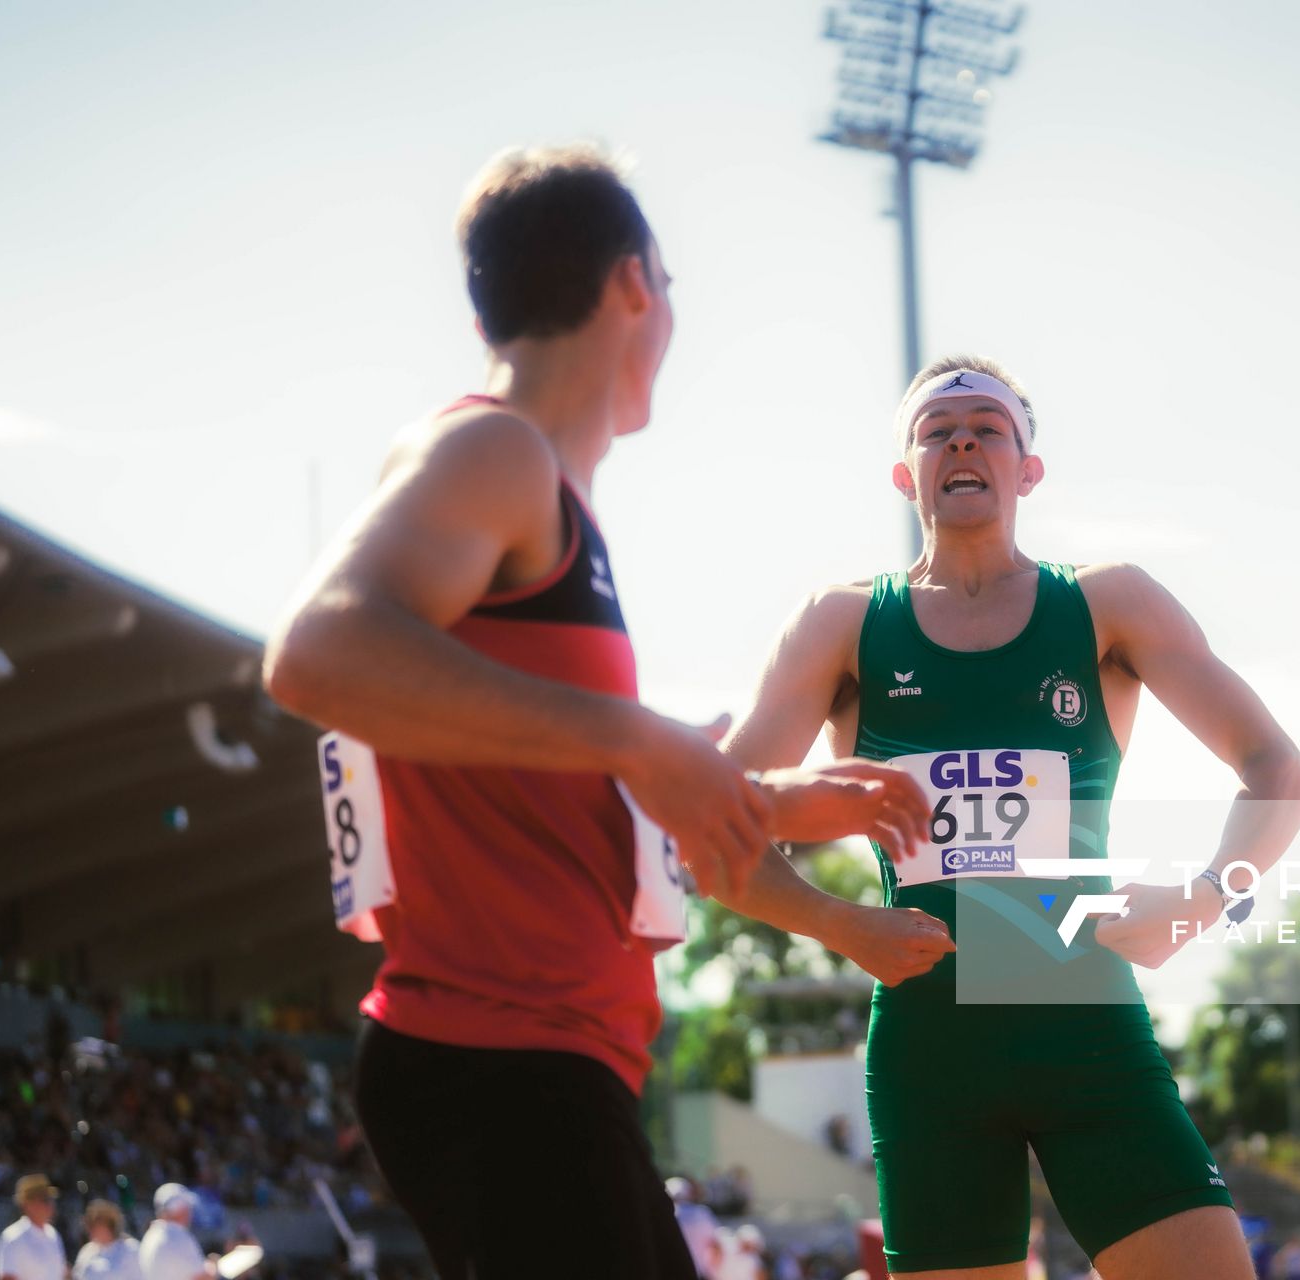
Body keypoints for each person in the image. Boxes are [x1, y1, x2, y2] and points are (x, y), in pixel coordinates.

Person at [263, 143, 928, 1279]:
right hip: (499, 1053)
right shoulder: (492, 447)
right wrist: (635, 735)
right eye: (669, 287)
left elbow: (544, 784)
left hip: (538, 1057)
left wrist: (761, 799)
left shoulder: (546, 499)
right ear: (633, 286)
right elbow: (317, 653)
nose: (669, 313)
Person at [717, 355, 1300, 1278]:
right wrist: (835, 922)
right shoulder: (839, 625)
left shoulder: (1107, 601)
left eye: (989, 427)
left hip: (1083, 1022)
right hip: (931, 1043)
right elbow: (716, 821)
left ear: (1028, 469)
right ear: (903, 473)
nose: (962, 440)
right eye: (936, 429)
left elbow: (1279, 771)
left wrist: (1203, 899)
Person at [0, 1175, 67, 1280]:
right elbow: (7, 1277)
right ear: (28, 1204)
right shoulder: (13, 1237)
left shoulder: (54, 1234)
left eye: (51, 1199)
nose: (51, 1204)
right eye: (45, 1200)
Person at [136, 1186, 211, 1280]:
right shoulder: (175, 1235)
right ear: (179, 1209)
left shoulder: (150, 1235)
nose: (190, 1212)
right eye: (187, 1207)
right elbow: (202, 1277)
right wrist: (214, 1267)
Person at [72, 1201, 139, 1280]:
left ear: (108, 1225)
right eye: (89, 1225)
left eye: (94, 1225)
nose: (90, 1230)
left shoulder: (130, 1249)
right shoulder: (86, 1251)